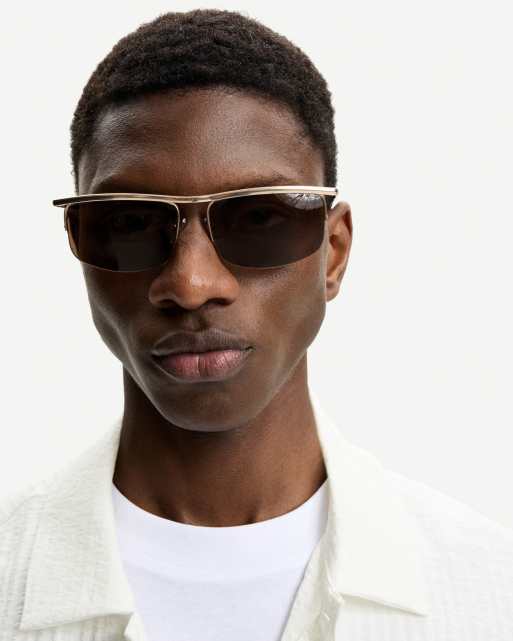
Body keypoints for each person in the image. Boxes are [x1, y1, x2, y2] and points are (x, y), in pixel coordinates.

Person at [1, 8, 512, 641]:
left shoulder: (489, 593)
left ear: (334, 252)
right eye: (130, 223)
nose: (192, 284)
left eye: (259, 219)